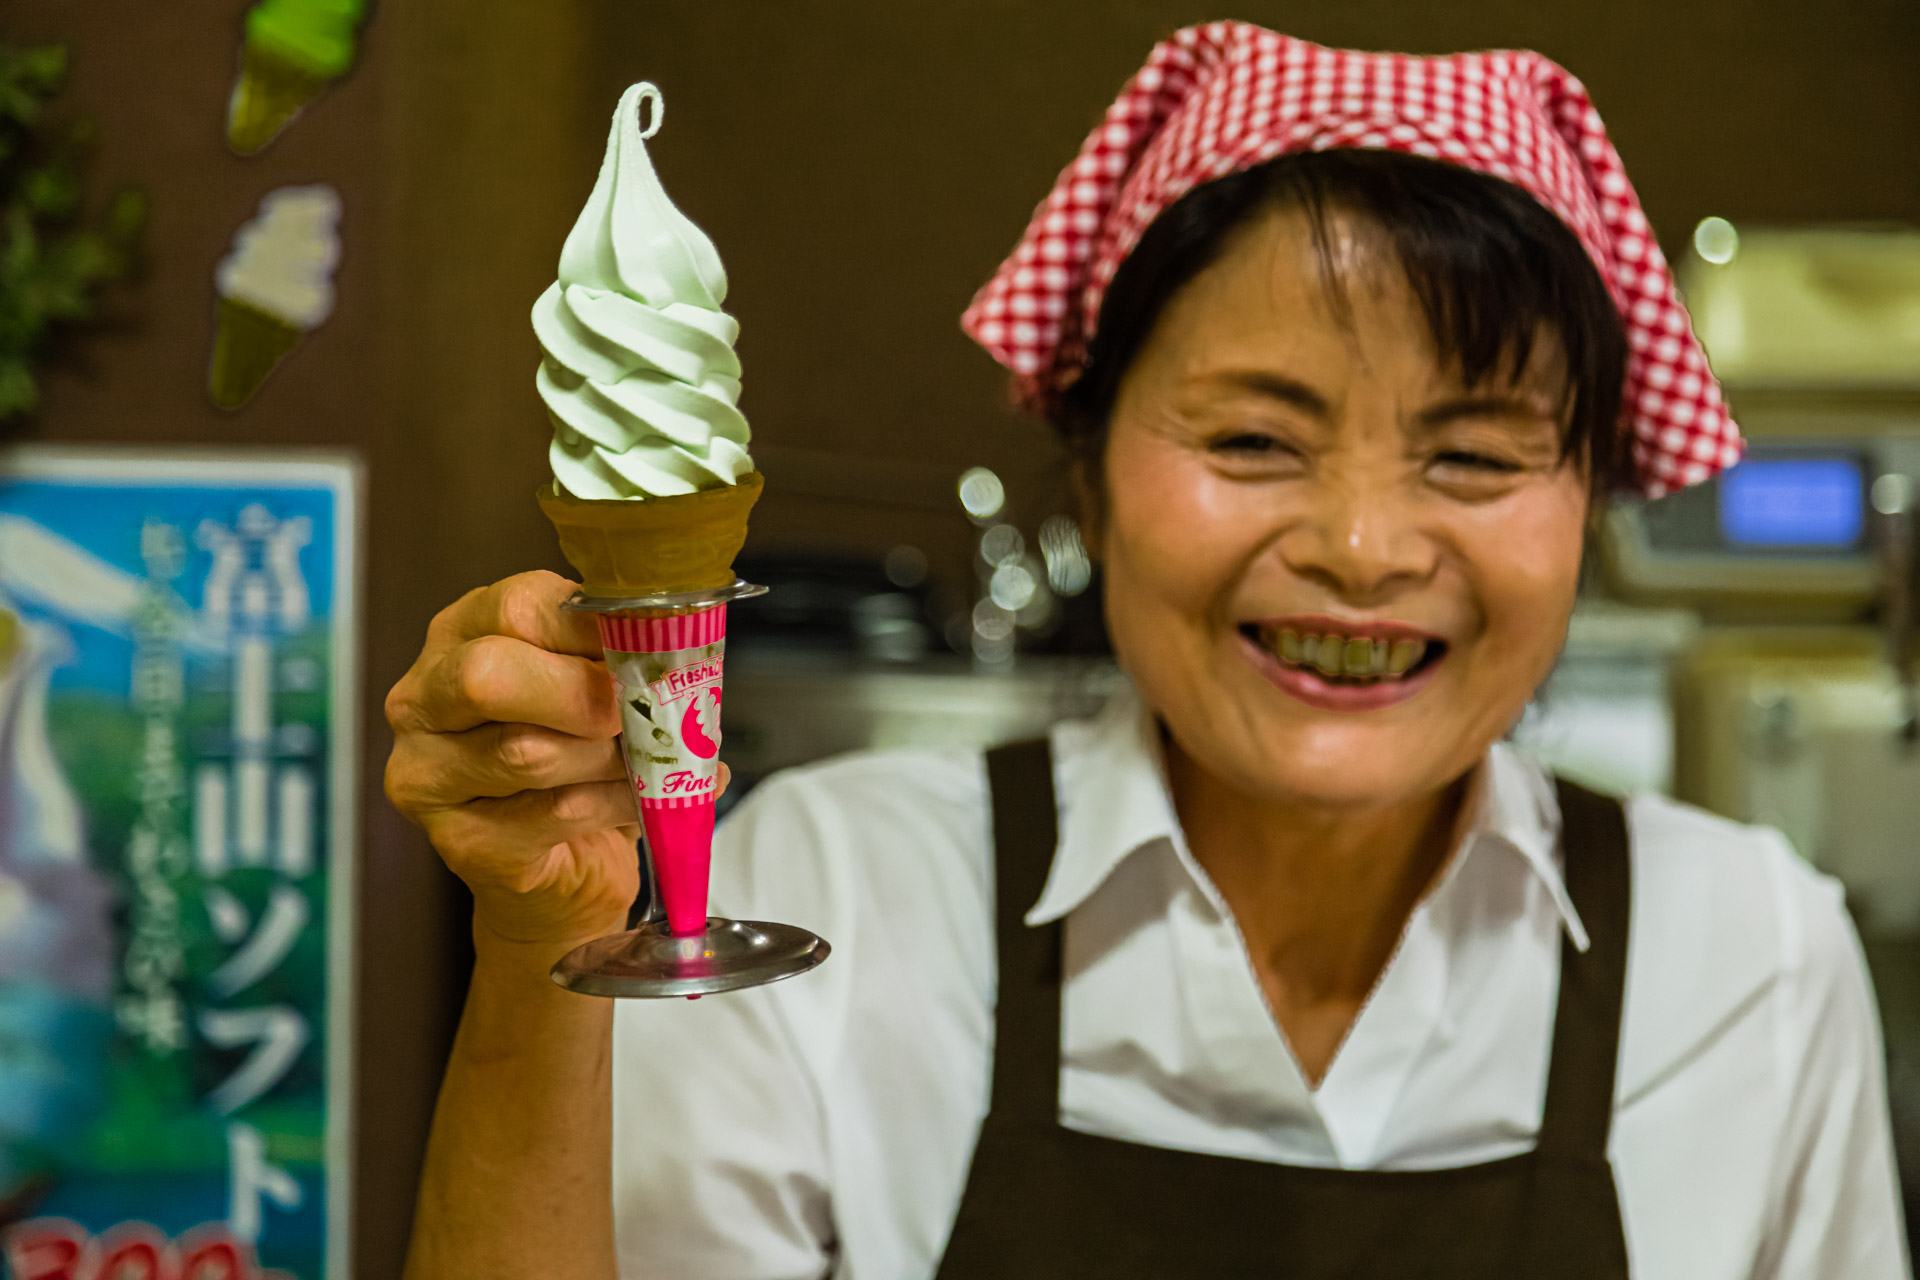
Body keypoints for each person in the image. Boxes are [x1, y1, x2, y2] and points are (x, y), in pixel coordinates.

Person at [385, 22, 1908, 1279]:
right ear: (1094, 470)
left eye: (1476, 455)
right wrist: (535, 954)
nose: (1364, 549)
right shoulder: (838, 901)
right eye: (1254, 437)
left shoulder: (1753, 962)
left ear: (1591, 499)